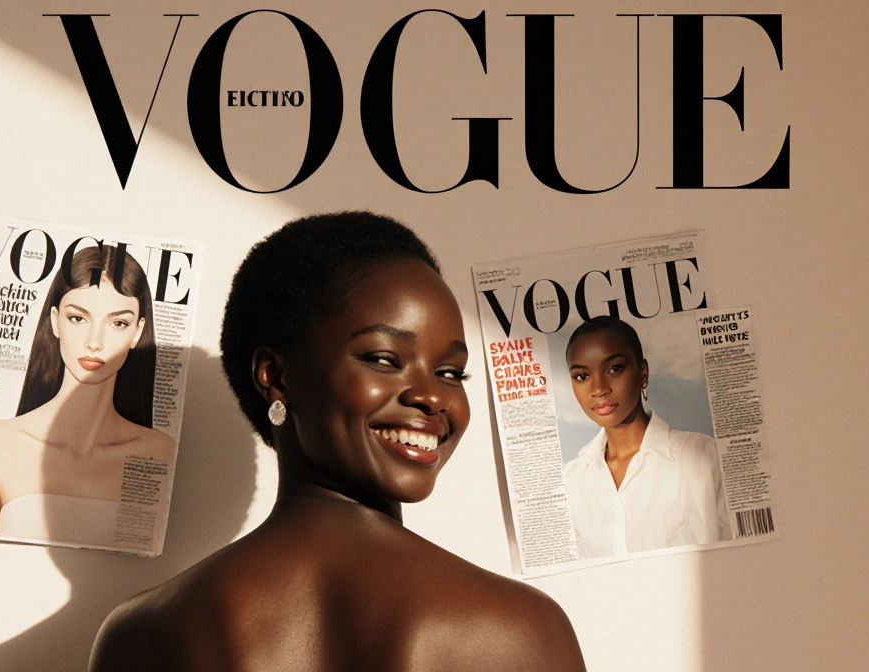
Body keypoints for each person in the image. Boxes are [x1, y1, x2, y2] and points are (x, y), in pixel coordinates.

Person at [88, 212, 586, 671]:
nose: (432, 396)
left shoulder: (139, 635)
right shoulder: (522, 630)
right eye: (384, 359)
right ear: (276, 377)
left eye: (451, 372)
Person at [0, 245, 175, 547]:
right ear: (55, 321)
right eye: (78, 319)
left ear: (137, 332)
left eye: (118, 323)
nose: (94, 342)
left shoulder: (160, 453)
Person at [562, 317, 731, 559]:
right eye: (581, 376)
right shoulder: (571, 482)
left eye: (614, 369)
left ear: (643, 373)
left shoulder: (706, 457)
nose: (599, 389)